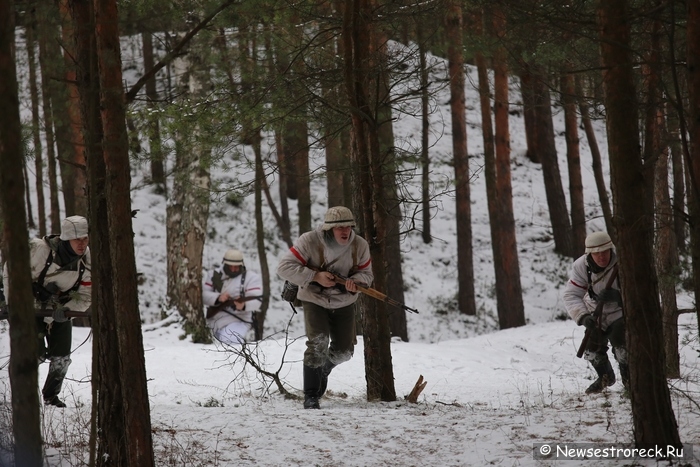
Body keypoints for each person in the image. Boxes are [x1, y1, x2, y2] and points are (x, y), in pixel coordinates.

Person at [276, 206, 373, 409]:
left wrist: (355, 282)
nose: (344, 231)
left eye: (348, 226)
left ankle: (323, 369)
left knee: (345, 351)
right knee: (318, 343)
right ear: (329, 228)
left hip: (344, 301)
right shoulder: (309, 240)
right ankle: (311, 395)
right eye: (339, 227)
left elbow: (367, 275)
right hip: (313, 298)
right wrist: (315, 276)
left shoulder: (360, 245)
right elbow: (284, 267)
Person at [2, 215, 92, 408]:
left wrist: (68, 310)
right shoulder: (39, 250)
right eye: (78, 239)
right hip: (28, 307)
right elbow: (11, 271)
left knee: (61, 359)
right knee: (34, 354)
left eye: (85, 238)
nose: (82, 244)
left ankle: (51, 397)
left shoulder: (87, 258)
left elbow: (86, 295)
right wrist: (13, 305)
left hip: (61, 308)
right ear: (67, 238)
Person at [563, 231, 628, 394]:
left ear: (610, 250)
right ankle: (605, 377)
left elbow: (641, 292)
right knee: (591, 351)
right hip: (595, 312)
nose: (601, 257)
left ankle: (630, 382)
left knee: (623, 348)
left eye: (605, 251)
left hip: (620, 312)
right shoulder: (581, 266)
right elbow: (571, 295)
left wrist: (620, 297)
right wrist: (583, 317)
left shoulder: (623, 261)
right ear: (589, 253)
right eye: (596, 253)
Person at [202, 249, 263, 345]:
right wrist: (218, 298)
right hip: (213, 320)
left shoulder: (251, 277)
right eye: (231, 266)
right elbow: (203, 295)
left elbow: (257, 300)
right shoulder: (214, 275)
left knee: (230, 340)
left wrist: (243, 305)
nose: (234, 269)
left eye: (236, 267)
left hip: (239, 319)